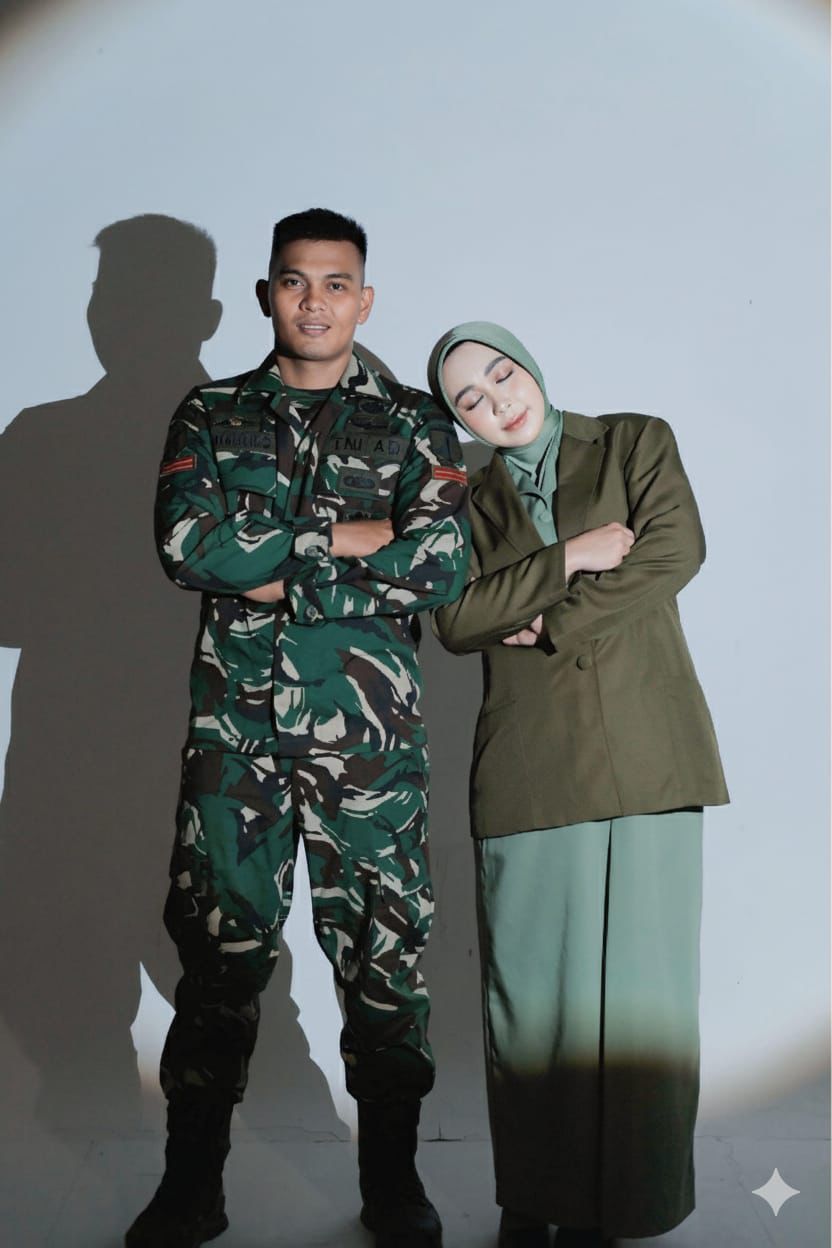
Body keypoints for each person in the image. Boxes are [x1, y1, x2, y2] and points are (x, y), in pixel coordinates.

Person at [126, 209, 470, 1248]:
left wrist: (277, 560)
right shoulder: (211, 411)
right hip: (235, 743)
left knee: (383, 961)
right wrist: (348, 539)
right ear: (264, 294)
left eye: (335, 283)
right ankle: (191, 1186)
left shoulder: (413, 421)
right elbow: (187, 547)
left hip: (370, 750)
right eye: (293, 281)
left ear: (364, 300)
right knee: (218, 960)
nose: (314, 301)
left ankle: (392, 1184)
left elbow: (438, 563)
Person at [427, 322, 728, 1248]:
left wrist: (549, 619)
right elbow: (455, 618)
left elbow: (675, 550)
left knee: (641, 1003)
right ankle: (536, 1199)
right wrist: (573, 555)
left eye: (502, 375)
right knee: (532, 1002)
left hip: (648, 752)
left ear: (530, 365)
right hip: (530, 762)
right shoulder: (465, 502)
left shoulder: (635, 440)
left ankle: (619, 1208)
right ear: (461, 422)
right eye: (471, 400)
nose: (498, 402)